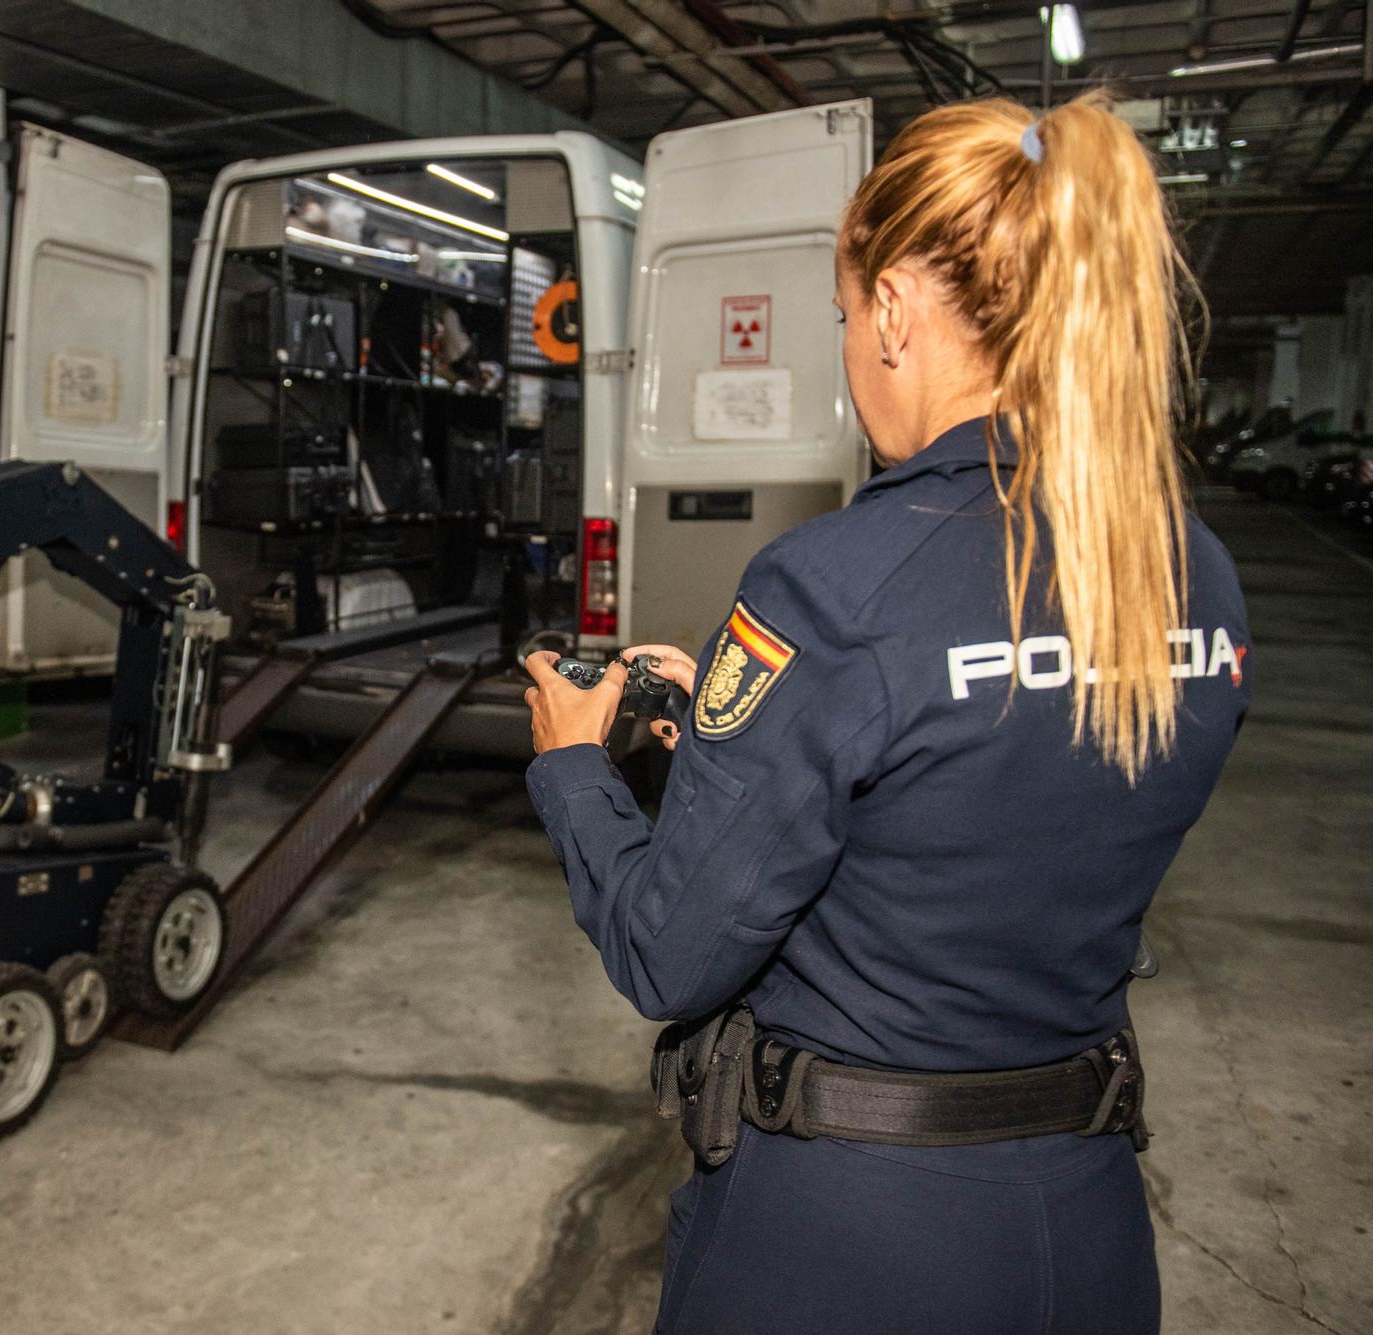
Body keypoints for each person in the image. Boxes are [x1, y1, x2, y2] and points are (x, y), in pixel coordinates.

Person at [522, 93, 1249, 1335]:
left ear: (899, 310)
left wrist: (573, 765)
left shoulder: (833, 584)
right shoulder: (1184, 570)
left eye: (848, 313)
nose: (851, 345)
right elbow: (999, 769)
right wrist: (754, 724)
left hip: (847, 1246)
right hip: (1079, 1230)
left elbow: (667, 948)